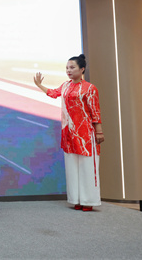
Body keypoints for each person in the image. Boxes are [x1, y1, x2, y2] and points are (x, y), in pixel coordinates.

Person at [33, 54, 103, 211]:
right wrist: (39, 85)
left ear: (82, 69)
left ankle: (88, 200)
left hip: (86, 134)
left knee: (87, 167)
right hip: (69, 134)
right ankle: (76, 199)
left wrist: (99, 131)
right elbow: (53, 93)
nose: (68, 70)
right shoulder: (65, 85)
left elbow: (95, 111)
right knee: (72, 168)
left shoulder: (90, 88)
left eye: (72, 67)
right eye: (67, 68)